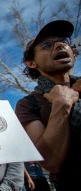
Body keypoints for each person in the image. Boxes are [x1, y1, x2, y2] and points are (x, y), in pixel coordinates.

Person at [15, 20, 81, 191]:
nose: (60, 45)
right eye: (46, 45)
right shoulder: (28, 104)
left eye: (64, 42)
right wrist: (62, 104)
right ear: (31, 63)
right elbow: (50, 161)